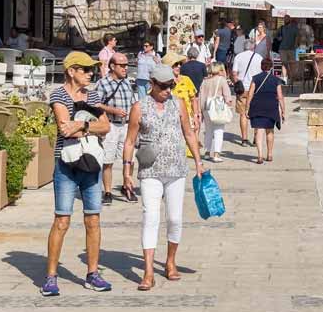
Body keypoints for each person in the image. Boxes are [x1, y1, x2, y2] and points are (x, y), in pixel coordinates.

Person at [121, 64, 203, 291]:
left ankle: (170, 261)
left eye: (171, 86)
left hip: (176, 168)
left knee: (175, 218)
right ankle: (148, 271)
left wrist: (198, 161)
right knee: (151, 217)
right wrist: (126, 171)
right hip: (150, 170)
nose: (169, 90)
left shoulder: (177, 104)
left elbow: (188, 132)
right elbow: (129, 140)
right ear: (152, 84)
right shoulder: (140, 107)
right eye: (164, 86)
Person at [42, 51, 112, 297]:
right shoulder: (58, 95)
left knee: (93, 219)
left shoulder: (92, 95)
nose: (90, 73)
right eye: (85, 69)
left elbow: (106, 126)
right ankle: (51, 276)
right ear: (71, 71)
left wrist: (82, 125)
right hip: (66, 165)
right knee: (62, 220)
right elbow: (64, 130)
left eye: (91, 69)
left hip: (91, 164)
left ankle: (92, 273)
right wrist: (90, 128)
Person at [95, 53, 138, 206]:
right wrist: (112, 110)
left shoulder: (127, 83)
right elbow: (95, 104)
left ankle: (127, 187)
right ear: (112, 66)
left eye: (127, 65)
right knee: (108, 160)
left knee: (130, 160)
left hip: (126, 125)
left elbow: (134, 102)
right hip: (111, 125)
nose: (126, 68)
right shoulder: (103, 83)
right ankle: (107, 192)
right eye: (122, 65)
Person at [246, 57, 286, 164]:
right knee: (270, 131)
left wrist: (247, 107)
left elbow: (250, 94)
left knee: (259, 131)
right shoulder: (276, 80)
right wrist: (283, 111)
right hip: (271, 107)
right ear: (271, 67)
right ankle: (269, 154)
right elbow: (280, 96)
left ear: (261, 66)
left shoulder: (255, 78)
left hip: (257, 106)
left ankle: (259, 156)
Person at [199, 62, 234, 162]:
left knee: (208, 131)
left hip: (206, 108)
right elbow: (227, 96)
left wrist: (200, 110)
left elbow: (201, 96)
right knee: (218, 131)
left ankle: (207, 152)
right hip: (217, 108)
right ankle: (216, 154)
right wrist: (229, 105)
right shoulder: (222, 80)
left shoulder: (205, 81)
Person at [231, 39, 261, 147]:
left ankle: (244, 139)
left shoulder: (238, 57)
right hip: (256, 88)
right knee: (256, 114)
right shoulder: (258, 57)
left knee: (243, 114)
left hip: (243, 88)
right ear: (253, 47)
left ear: (244, 47)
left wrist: (237, 83)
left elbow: (234, 73)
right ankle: (256, 138)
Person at [163, 53, 201, 136]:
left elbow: (193, 99)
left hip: (187, 119)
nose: (179, 66)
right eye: (176, 64)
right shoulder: (162, 83)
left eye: (180, 64)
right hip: (169, 121)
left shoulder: (186, 79)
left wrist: (195, 116)